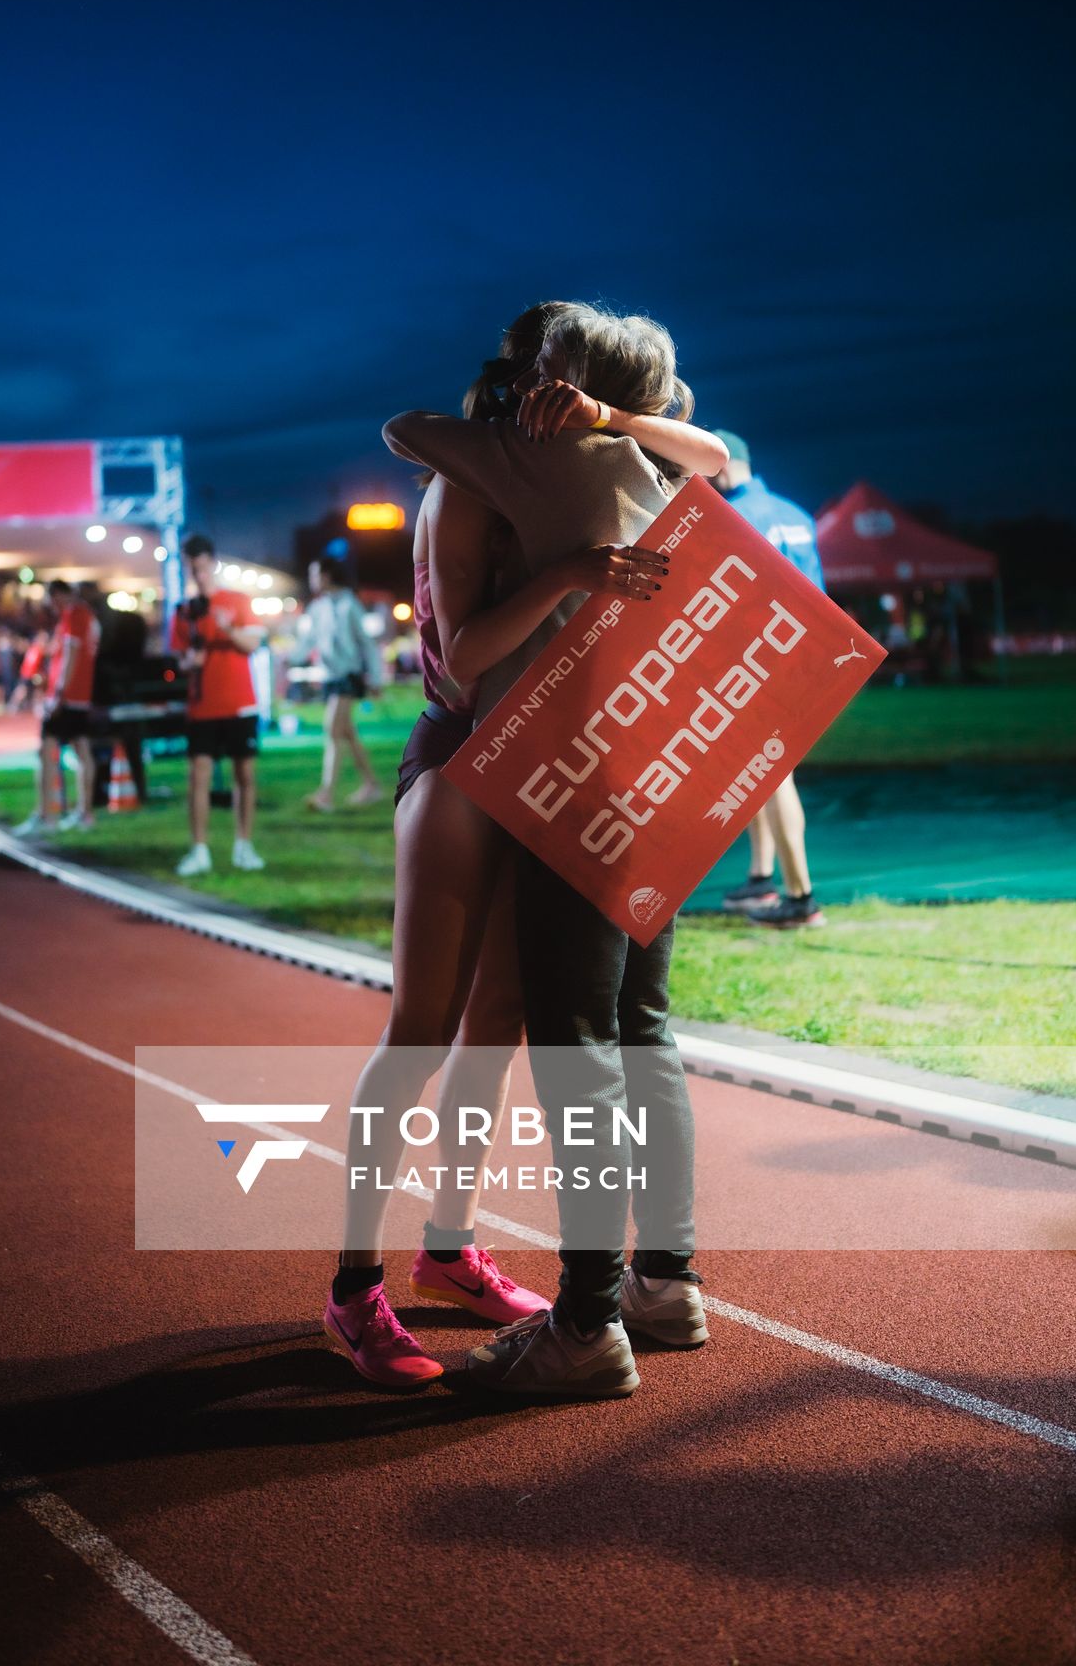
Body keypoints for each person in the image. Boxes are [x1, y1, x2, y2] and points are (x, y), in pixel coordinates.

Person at [323, 305, 727, 1396]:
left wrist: (608, 425)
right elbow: (459, 666)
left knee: (501, 1029)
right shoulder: (471, 483)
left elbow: (715, 458)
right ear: (513, 393)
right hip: (465, 759)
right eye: (535, 381)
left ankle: (449, 1249)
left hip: (554, 761)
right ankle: (353, 1286)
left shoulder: (595, 463)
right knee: (421, 1027)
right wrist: (569, 577)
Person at [711, 431, 826, 929]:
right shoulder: (796, 513)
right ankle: (762, 878)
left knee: (770, 773)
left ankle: (802, 898)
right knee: (757, 774)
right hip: (805, 658)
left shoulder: (730, 517)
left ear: (719, 465)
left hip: (759, 660)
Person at [170, 534, 266, 876]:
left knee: (245, 775)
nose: (198, 575)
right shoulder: (183, 612)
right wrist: (189, 662)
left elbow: (252, 644)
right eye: (191, 569)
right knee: (198, 777)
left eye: (202, 567)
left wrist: (227, 629)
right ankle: (199, 851)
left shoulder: (237, 601)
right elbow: (180, 660)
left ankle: (244, 845)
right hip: (202, 705)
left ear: (213, 563)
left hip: (240, 702)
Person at [14, 580, 99, 836]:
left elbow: (71, 655)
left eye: (51, 600)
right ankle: (84, 813)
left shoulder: (73, 615)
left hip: (67, 696)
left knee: (46, 751)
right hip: (81, 696)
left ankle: (45, 814)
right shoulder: (89, 617)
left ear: (58, 596)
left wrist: (59, 693)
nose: (51, 606)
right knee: (83, 751)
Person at [302, 552, 385, 813]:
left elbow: (367, 644)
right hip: (330, 678)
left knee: (332, 729)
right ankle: (372, 784)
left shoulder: (350, 605)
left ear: (326, 576)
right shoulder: (318, 607)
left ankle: (326, 794)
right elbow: (308, 641)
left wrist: (376, 677)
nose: (311, 580)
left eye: (314, 574)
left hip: (348, 677)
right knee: (347, 734)